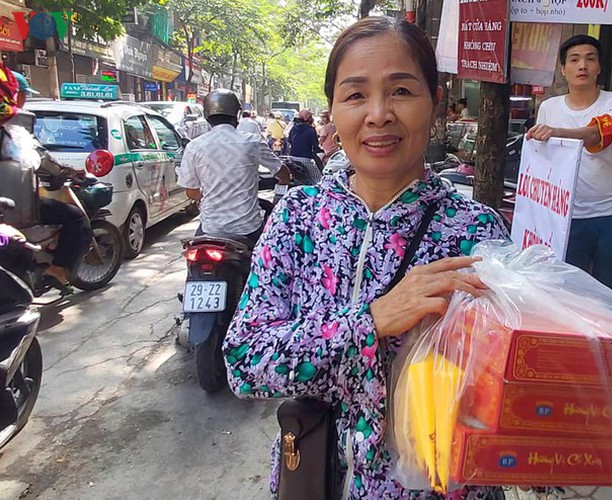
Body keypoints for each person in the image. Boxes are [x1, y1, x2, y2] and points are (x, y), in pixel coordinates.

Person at [223, 17, 509, 498]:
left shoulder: (476, 231)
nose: (378, 114)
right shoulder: (300, 216)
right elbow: (244, 360)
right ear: (333, 109)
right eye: (355, 95)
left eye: (401, 91)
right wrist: (372, 321)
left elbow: (504, 386)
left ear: (434, 103)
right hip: (317, 479)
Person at [526, 35, 612, 294]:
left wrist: (557, 131)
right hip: (566, 216)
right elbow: (543, 162)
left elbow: (597, 135)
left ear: (599, 67)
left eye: (590, 59)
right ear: (564, 70)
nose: (582, 66)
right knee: (565, 291)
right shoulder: (549, 107)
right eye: (574, 60)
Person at [4, 70, 90, 292]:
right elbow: (41, 161)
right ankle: (58, 270)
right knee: (76, 218)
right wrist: (66, 172)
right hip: (16, 208)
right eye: (23, 94)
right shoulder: (13, 129)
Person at [176, 89, 290, 247]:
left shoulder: (194, 146)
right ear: (236, 115)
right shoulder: (253, 142)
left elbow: (191, 192)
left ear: (207, 116)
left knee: (193, 257)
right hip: (248, 228)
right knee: (268, 261)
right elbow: (282, 173)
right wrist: (283, 184)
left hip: (210, 228)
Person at [288, 108, 323, 182]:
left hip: (292, 157)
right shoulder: (311, 130)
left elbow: (290, 140)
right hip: (305, 159)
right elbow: (315, 146)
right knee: (318, 178)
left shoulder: (294, 128)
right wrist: (321, 151)